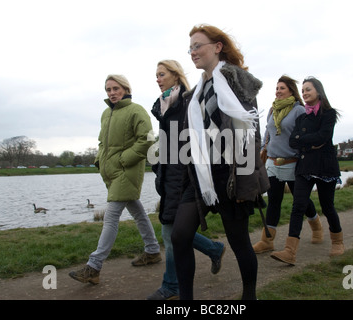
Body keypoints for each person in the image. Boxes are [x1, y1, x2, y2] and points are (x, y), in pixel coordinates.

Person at [171, 24, 270, 300]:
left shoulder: (239, 80)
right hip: (202, 176)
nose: (192, 52)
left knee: (239, 242)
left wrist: (246, 183)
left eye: (197, 45)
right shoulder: (195, 93)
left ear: (217, 47)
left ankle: (249, 296)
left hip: (231, 174)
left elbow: (251, 135)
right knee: (179, 236)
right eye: (189, 48)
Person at [69, 74, 161, 285]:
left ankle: (94, 267)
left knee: (110, 218)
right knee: (138, 212)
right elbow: (102, 142)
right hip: (111, 172)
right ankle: (153, 250)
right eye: (108, 90)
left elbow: (147, 139)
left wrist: (123, 159)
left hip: (127, 171)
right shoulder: (105, 114)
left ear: (126, 89)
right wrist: (99, 160)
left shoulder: (136, 110)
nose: (111, 93)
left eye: (115, 89)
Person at [148, 60, 225, 300]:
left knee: (171, 234)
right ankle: (214, 248)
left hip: (186, 176)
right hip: (169, 174)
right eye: (156, 75)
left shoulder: (189, 101)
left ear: (175, 75)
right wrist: (159, 164)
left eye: (162, 74)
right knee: (173, 232)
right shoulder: (164, 105)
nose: (158, 79)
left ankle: (172, 284)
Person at [271, 76, 344, 265]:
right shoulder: (303, 116)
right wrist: (311, 143)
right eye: (303, 90)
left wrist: (306, 141)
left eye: (308, 90)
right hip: (305, 166)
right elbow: (293, 140)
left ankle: (337, 241)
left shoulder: (329, 114)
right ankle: (289, 251)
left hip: (325, 167)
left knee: (327, 206)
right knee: (298, 206)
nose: (304, 93)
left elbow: (324, 136)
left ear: (318, 92)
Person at [253, 75, 320, 254]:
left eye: (282, 88)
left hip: (292, 162)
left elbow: (305, 134)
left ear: (291, 90)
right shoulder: (272, 110)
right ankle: (267, 241)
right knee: (274, 200)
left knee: (302, 201)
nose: (278, 91)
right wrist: (261, 150)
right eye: (276, 88)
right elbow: (268, 133)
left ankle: (317, 226)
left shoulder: (299, 110)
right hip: (273, 162)